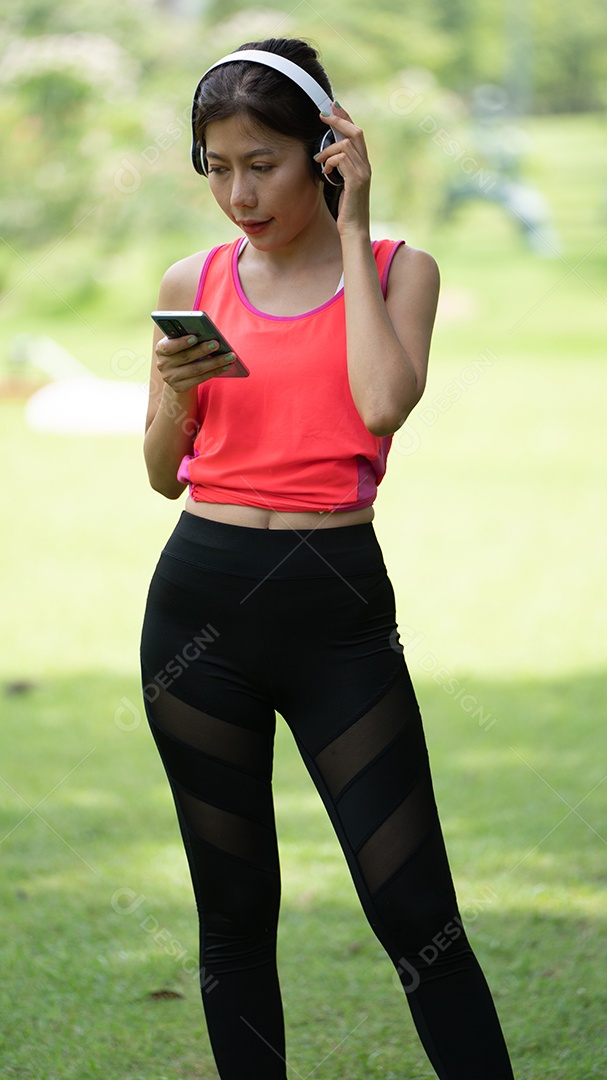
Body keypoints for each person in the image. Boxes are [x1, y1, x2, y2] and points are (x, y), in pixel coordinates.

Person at [140, 36, 515, 1080]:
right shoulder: (194, 279)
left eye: (262, 162)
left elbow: (383, 402)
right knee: (232, 916)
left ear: (326, 152)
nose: (238, 193)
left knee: (414, 909)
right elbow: (165, 474)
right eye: (216, 166)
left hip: (336, 610)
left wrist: (353, 231)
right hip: (197, 612)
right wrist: (172, 384)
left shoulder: (400, 270)